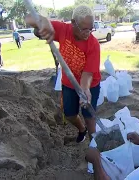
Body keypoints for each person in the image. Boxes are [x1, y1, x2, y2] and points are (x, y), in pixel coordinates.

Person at [26, 5, 101, 143]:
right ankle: (81, 129)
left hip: (90, 85)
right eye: (84, 29)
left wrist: (85, 89)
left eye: (91, 28)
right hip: (69, 83)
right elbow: (29, 18)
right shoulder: (63, 30)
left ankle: (94, 144)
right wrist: (43, 25)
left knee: (89, 117)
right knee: (70, 114)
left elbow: (88, 73)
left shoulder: (93, 44)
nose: (88, 33)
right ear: (73, 23)